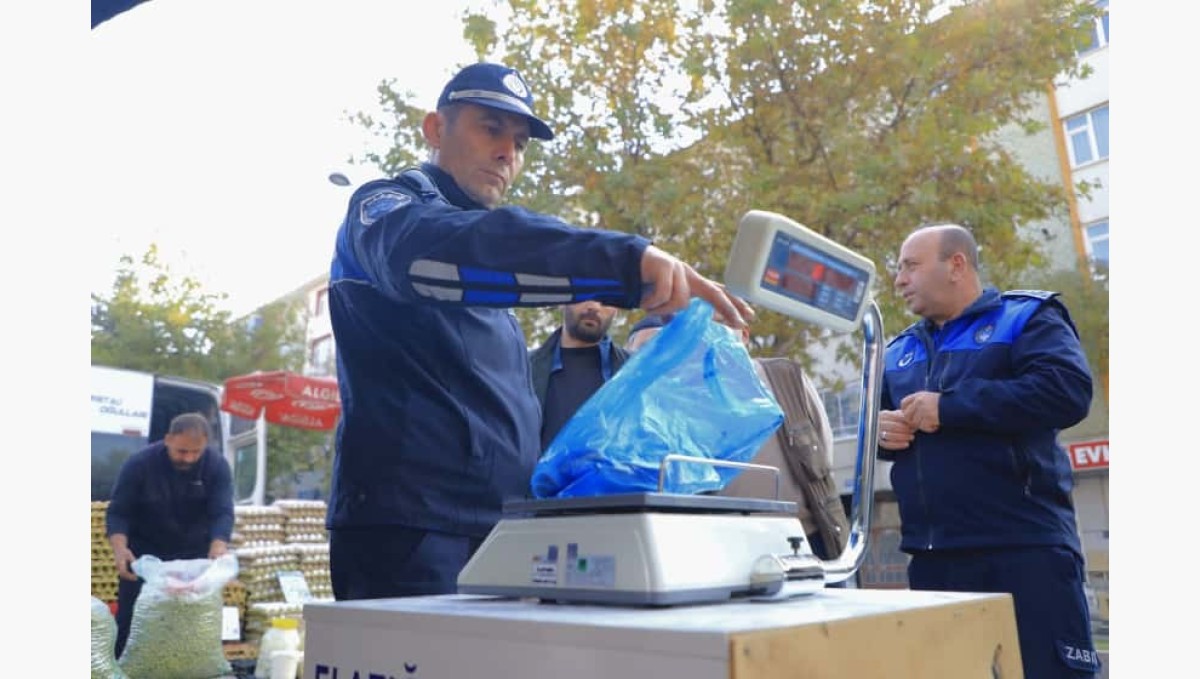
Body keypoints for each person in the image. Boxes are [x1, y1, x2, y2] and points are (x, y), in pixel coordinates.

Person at [325, 61, 752, 601]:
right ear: (436, 129)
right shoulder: (385, 209)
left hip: (501, 532)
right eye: (490, 129)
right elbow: (434, 253)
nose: (509, 153)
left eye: (521, 141)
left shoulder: (487, 277)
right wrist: (626, 262)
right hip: (410, 533)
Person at [878, 224, 1099, 678]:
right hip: (932, 560)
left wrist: (951, 407)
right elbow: (880, 431)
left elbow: (1067, 392)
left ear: (956, 264)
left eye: (910, 266)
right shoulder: (896, 352)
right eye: (898, 269)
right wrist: (880, 434)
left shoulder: (1026, 317)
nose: (899, 279)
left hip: (1023, 551)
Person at [105, 412, 234, 657]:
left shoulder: (216, 466)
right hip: (144, 561)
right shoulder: (139, 464)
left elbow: (223, 512)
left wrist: (219, 546)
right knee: (132, 628)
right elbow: (119, 512)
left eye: (196, 452)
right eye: (182, 451)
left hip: (191, 564)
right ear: (167, 439)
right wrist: (120, 549)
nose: (188, 458)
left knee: (188, 631)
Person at [529, 300, 628, 451]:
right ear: (563, 300)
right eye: (586, 294)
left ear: (617, 310)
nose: (594, 307)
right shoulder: (522, 369)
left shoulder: (633, 373)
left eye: (606, 300)